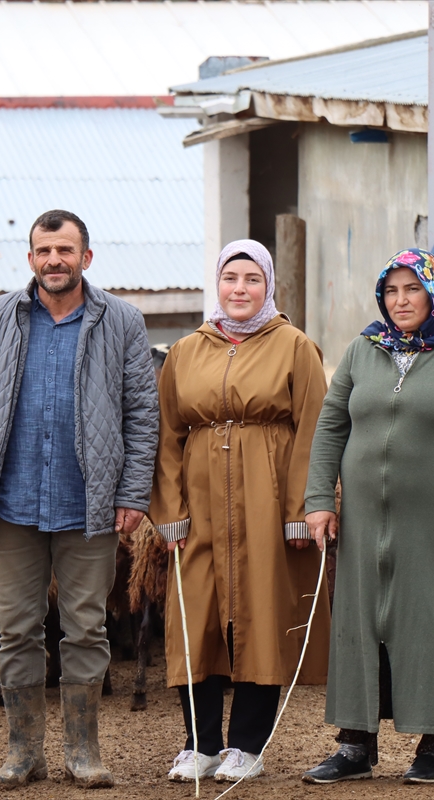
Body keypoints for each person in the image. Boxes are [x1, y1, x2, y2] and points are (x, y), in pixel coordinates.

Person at [0, 209, 158, 791]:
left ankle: (83, 751)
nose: (54, 260)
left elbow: (142, 412)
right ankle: (23, 753)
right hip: (11, 501)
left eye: (65, 250)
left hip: (89, 502)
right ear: (31, 258)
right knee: (16, 629)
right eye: (44, 251)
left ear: (86, 257)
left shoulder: (121, 320)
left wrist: (133, 491)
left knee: (86, 627)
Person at [301, 248, 434, 785]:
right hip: (364, 523)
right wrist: (319, 498)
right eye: (391, 291)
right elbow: (331, 426)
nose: (400, 301)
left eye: (412, 289)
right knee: (360, 623)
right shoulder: (363, 350)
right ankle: (355, 745)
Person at [150, 239, 331, 784]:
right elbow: (167, 435)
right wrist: (170, 508)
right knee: (195, 617)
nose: (240, 289)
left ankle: (247, 745)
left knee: (262, 613)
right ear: (217, 284)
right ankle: (200, 744)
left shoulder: (294, 346)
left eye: (252, 279)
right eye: (231, 278)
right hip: (201, 500)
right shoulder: (187, 351)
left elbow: (314, 432)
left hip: (267, 496)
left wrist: (301, 509)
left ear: (268, 285)